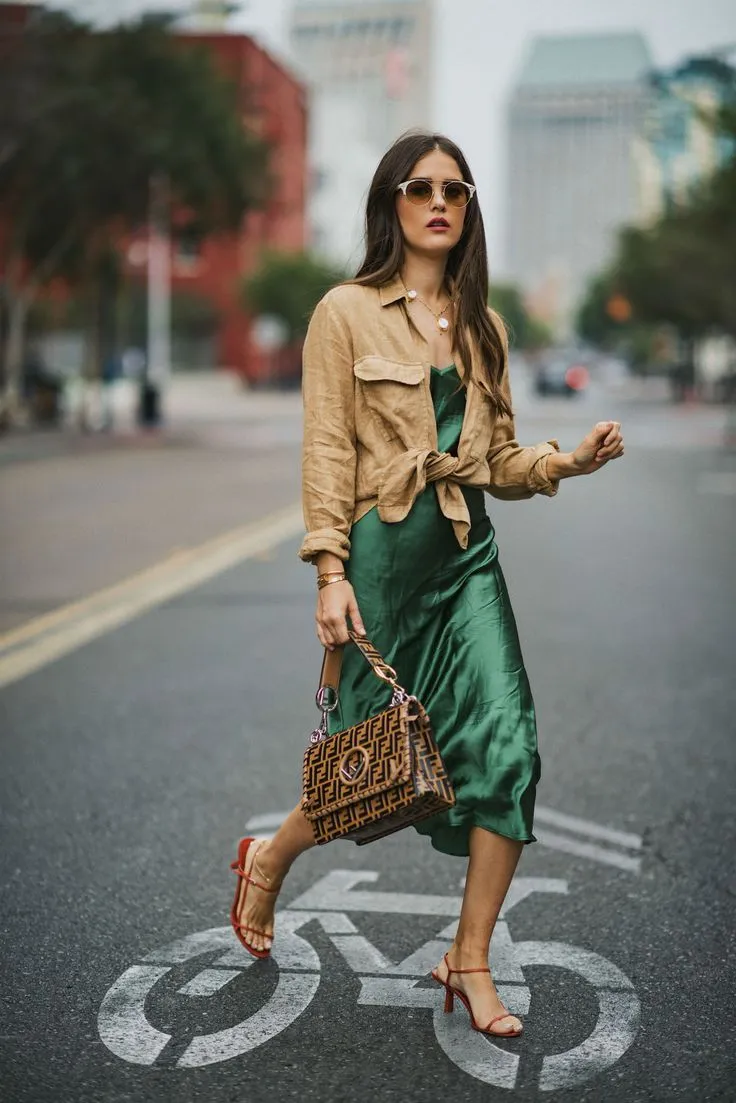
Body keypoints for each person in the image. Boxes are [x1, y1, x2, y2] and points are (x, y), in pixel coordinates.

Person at [230, 131, 624, 1038]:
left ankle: (470, 956)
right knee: (365, 770)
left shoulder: (486, 328)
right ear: (392, 203)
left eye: (455, 188)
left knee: (510, 749)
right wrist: (329, 572)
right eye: (420, 187)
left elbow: (492, 459)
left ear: (469, 207)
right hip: (378, 564)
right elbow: (328, 449)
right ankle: (270, 856)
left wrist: (568, 460)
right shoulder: (345, 312)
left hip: (463, 559)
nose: (439, 200)